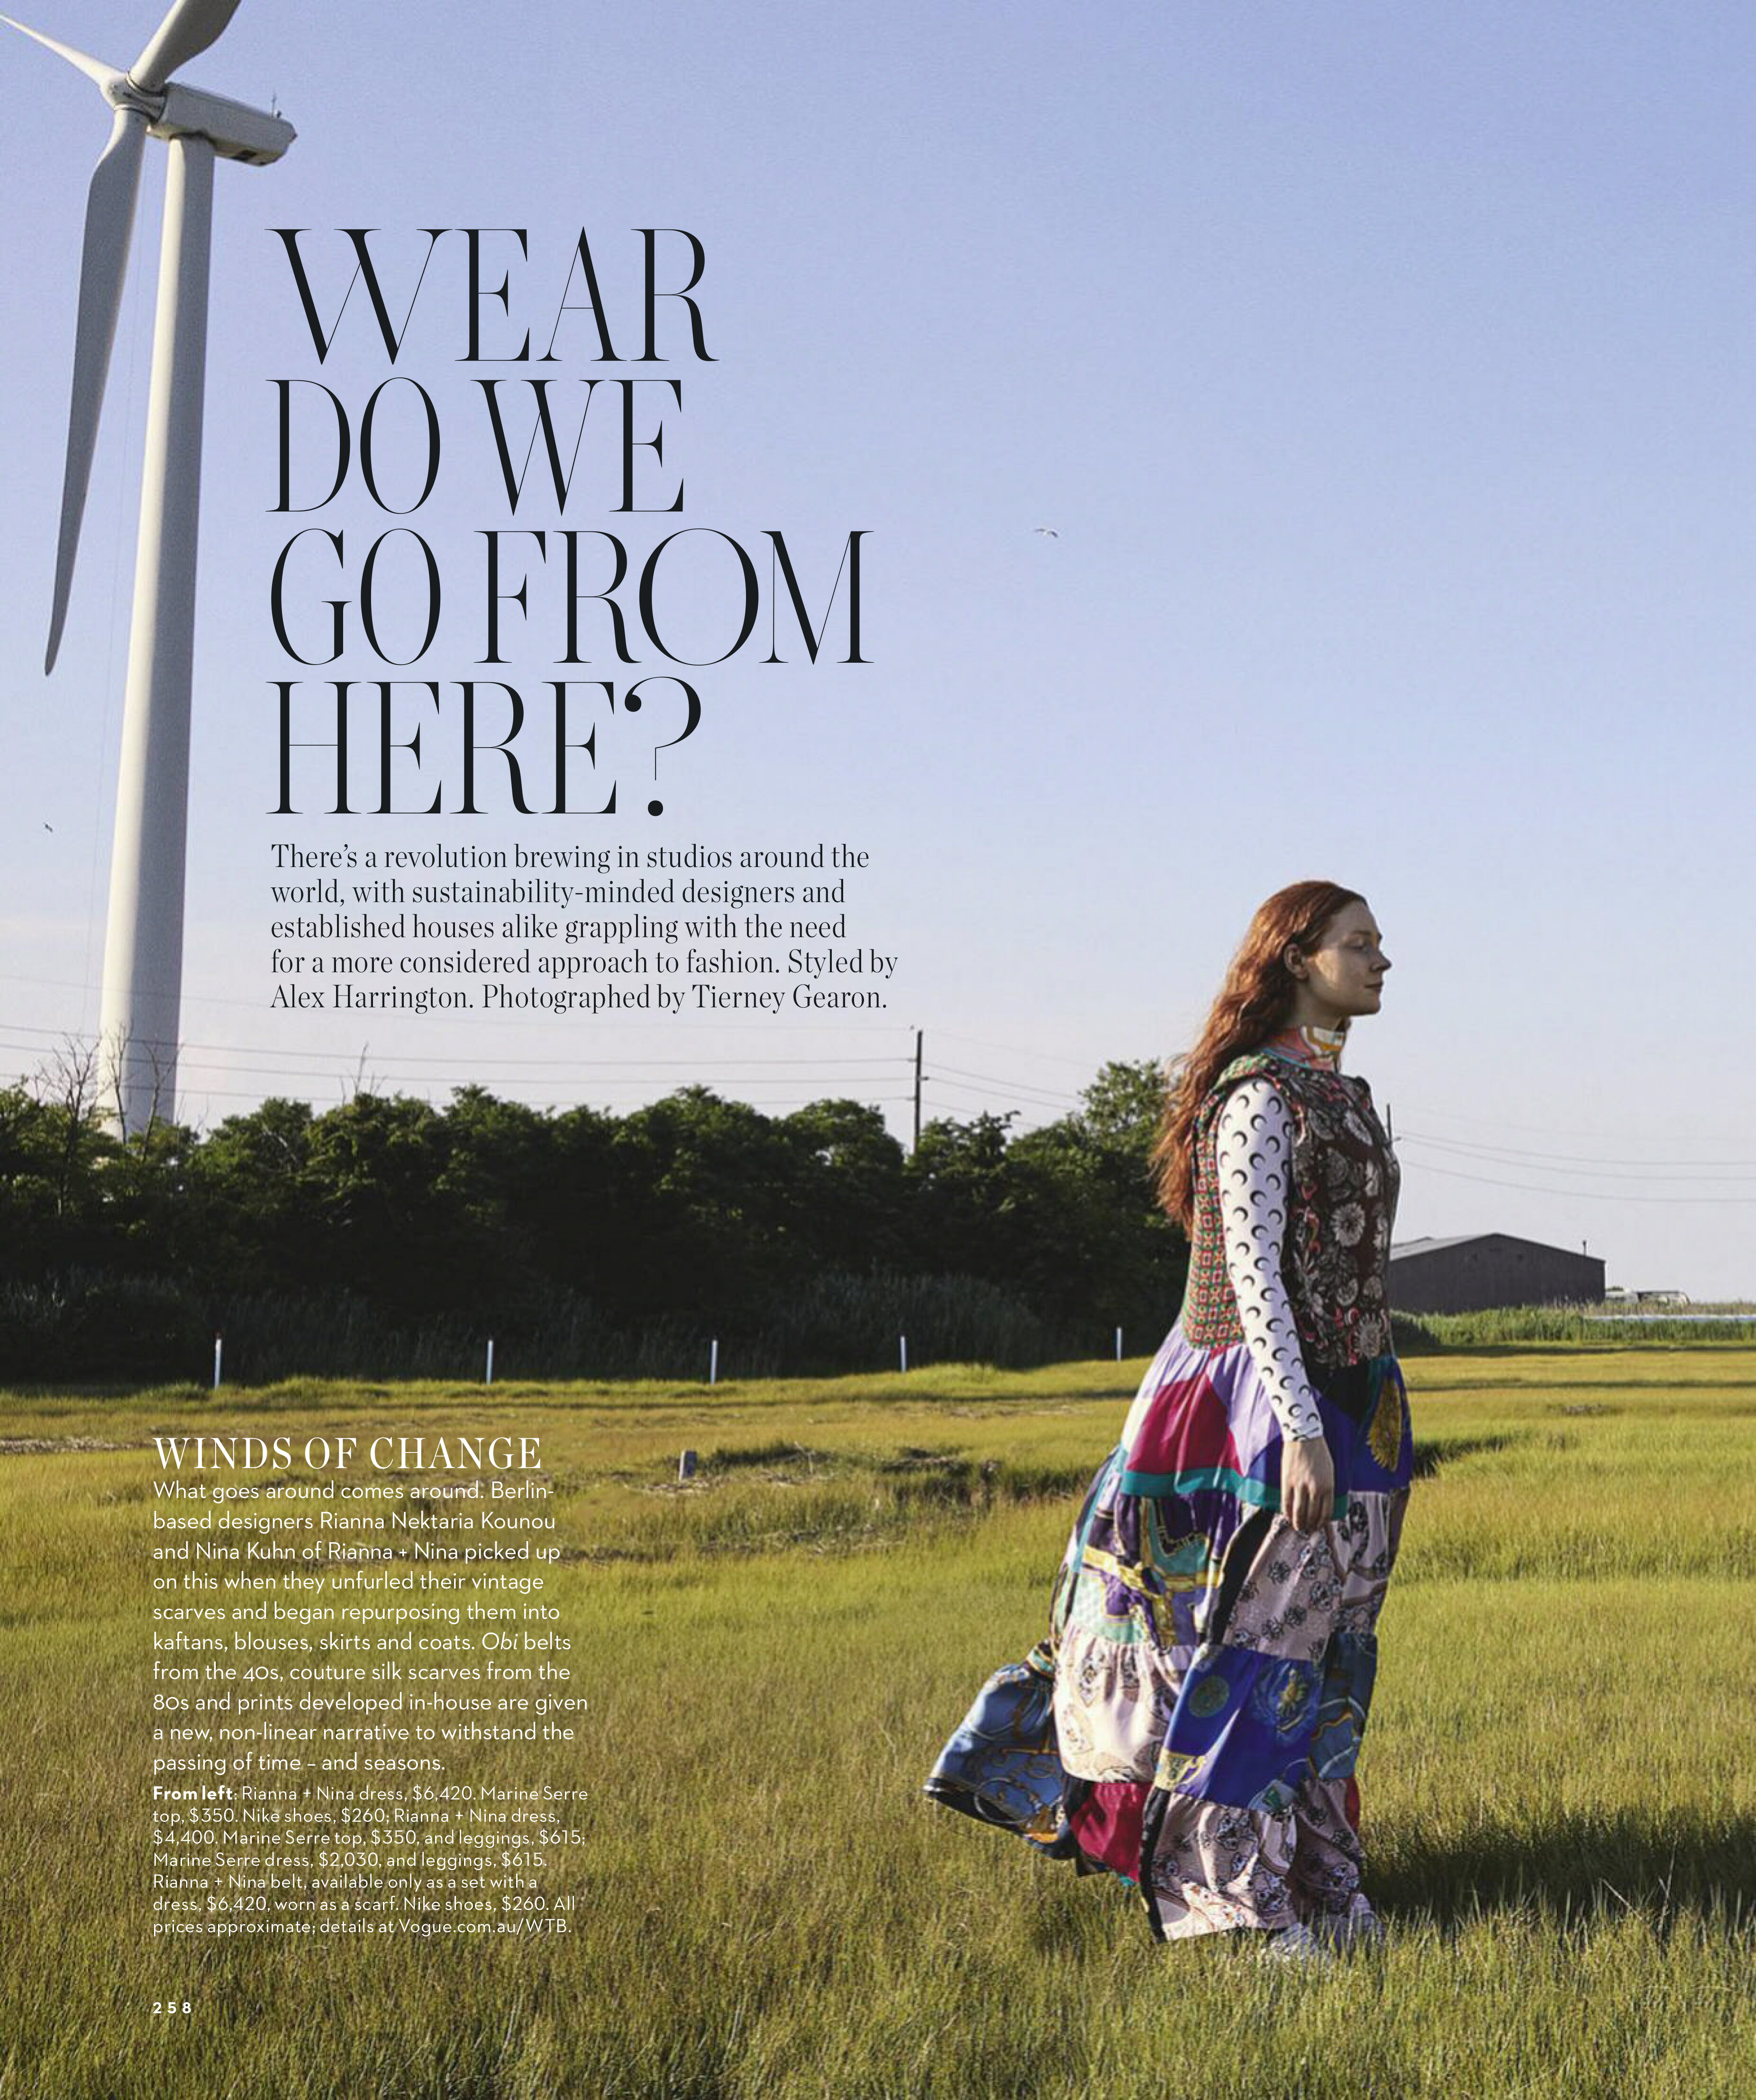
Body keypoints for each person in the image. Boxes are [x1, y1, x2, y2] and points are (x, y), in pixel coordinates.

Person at [925, 880, 1411, 1963]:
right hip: (1258, 1406)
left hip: (1360, 1400)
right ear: (1297, 956)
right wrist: (1299, 1425)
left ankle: (1323, 1877)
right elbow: (1252, 1275)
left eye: (1379, 943)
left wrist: (1355, 1410)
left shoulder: (1345, 1094)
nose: (1382, 960)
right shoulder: (1255, 1099)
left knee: (1333, 1652)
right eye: (1359, 943)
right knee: (1252, 1650)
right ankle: (1234, 1901)